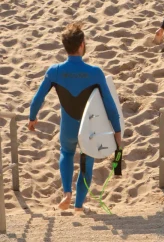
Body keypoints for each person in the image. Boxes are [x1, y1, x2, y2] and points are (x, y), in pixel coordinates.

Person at [28, 22, 122, 212]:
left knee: (66, 152)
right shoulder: (95, 72)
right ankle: (79, 205)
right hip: (88, 129)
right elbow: (110, 106)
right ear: (82, 45)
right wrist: (117, 132)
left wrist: (32, 117)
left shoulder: (54, 71)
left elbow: (38, 98)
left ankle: (66, 194)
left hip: (68, 127)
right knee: (87, 159)